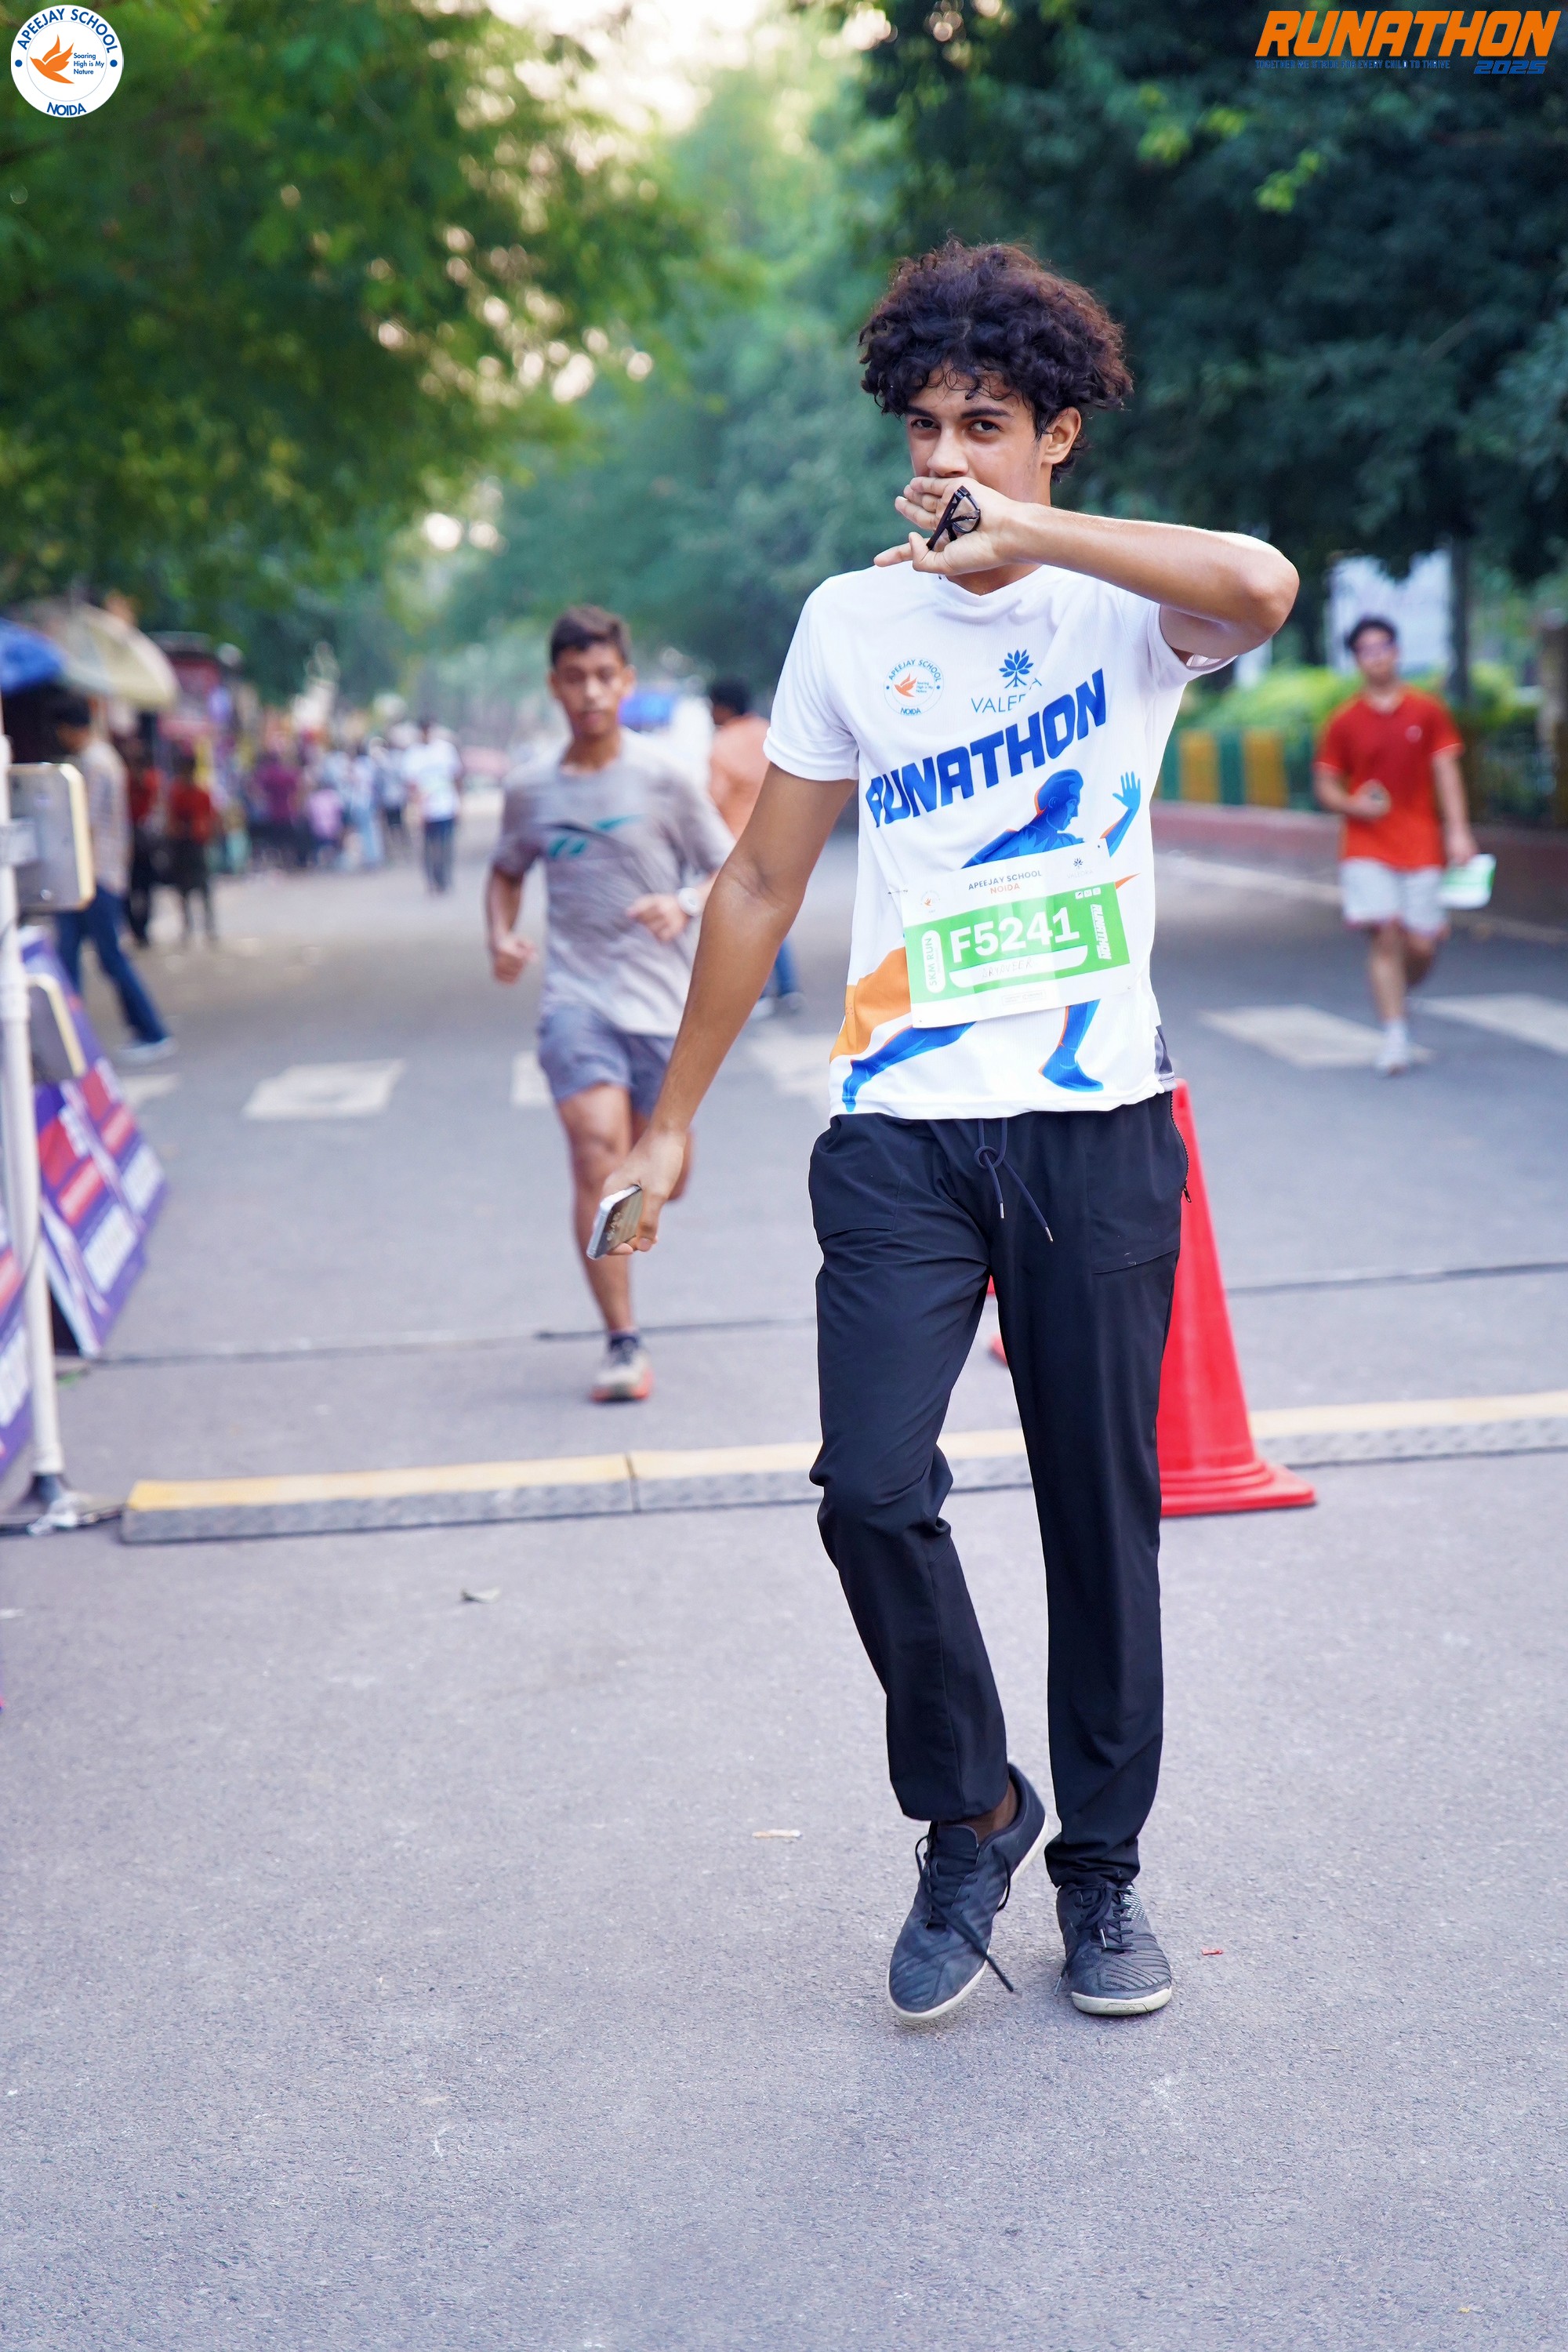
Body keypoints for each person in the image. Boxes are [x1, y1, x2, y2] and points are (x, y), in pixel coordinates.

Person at [604, 241, 1298, 2024]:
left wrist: (1037, 538)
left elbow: (1261, 582)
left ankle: (1103, 1879)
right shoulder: (853, 621)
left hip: (1091, 1124)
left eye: (983, 424)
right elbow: (761, 881)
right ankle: (973, 1808)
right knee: (869, 1487)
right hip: (901, 1128)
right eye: (922, 426)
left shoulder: (1122, 608)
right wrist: (668, 1126)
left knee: (1099, 1522)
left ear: (1056, 433)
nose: (944, 459)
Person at [485, 605, 733, 1403]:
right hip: (576, 998)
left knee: (666, 1174)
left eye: (603, 676)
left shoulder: (664, 778)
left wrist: (682, 905)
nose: (590, 692)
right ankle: (623, 1340)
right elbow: (506, 870)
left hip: (660, 1006)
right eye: (574, 678)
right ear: (554, 686)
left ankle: (645, 1188)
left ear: (624, 682)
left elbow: (729, 871)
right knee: (597, 1152)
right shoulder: (531, 788)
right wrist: (500, 935)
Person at [1313, 615, 1475, 1076]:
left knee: (1421, 944)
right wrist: (1353, 805)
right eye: (1366, 650)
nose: (1377, 657)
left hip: (1421, 842)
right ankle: (1395, 1035)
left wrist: (1458, 831)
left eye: (1383, 646)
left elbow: (1447, 773)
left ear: (1397, 652)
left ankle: (1398, 994)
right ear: (1356, 659)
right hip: (1366, 845)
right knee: (1384, 934)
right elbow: (1326, 784)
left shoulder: (1427, 711)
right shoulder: (1344, 721)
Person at [50, 693, 173, 1062]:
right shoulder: (99, 760)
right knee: (73, 957)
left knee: (105, 957)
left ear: (68, 729)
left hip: (95, 875)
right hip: (96, 874)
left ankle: (149, 1030)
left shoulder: (95, 763)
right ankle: (69, 1042)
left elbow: (83, 821)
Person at [706, 677, 804, 1014]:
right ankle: (788, 989)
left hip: (738, 843)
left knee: (744, 917)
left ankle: (758, 995)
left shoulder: (723, 744)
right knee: (775, 909)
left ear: (723, 707)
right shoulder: (771, 733)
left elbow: (715, 800)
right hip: (781, 838)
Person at [405, 720, 463, 892]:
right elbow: (411, 785)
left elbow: (456, 777)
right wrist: (417, 809)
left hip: (446, 806)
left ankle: (445, 878)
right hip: (426, 810)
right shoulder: (413, 755)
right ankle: (432, 879)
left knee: (446, 845)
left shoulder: (445, 750)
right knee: (429, 848)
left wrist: (459, 803)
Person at [166, 751, 217, 942]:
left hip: (197, 843)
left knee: (204, 888)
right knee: (184, 890)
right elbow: (171, 819)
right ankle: (188, 927)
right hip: (182, 844)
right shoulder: (176, 793)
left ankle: (209, 927)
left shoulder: (202, 793)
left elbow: (210, 818)